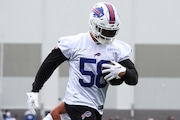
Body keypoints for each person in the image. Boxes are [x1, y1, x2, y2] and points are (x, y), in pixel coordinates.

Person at [26, 2, 138, 120]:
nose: (108, 36)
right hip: (76, 101)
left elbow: (134, 78)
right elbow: (49, 64)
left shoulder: (116, 49)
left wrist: (124, 72)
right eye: (105, 31)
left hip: (96, 106)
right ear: (93, 24)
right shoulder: (75, 43)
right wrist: (35, 89)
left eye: (112, 32)